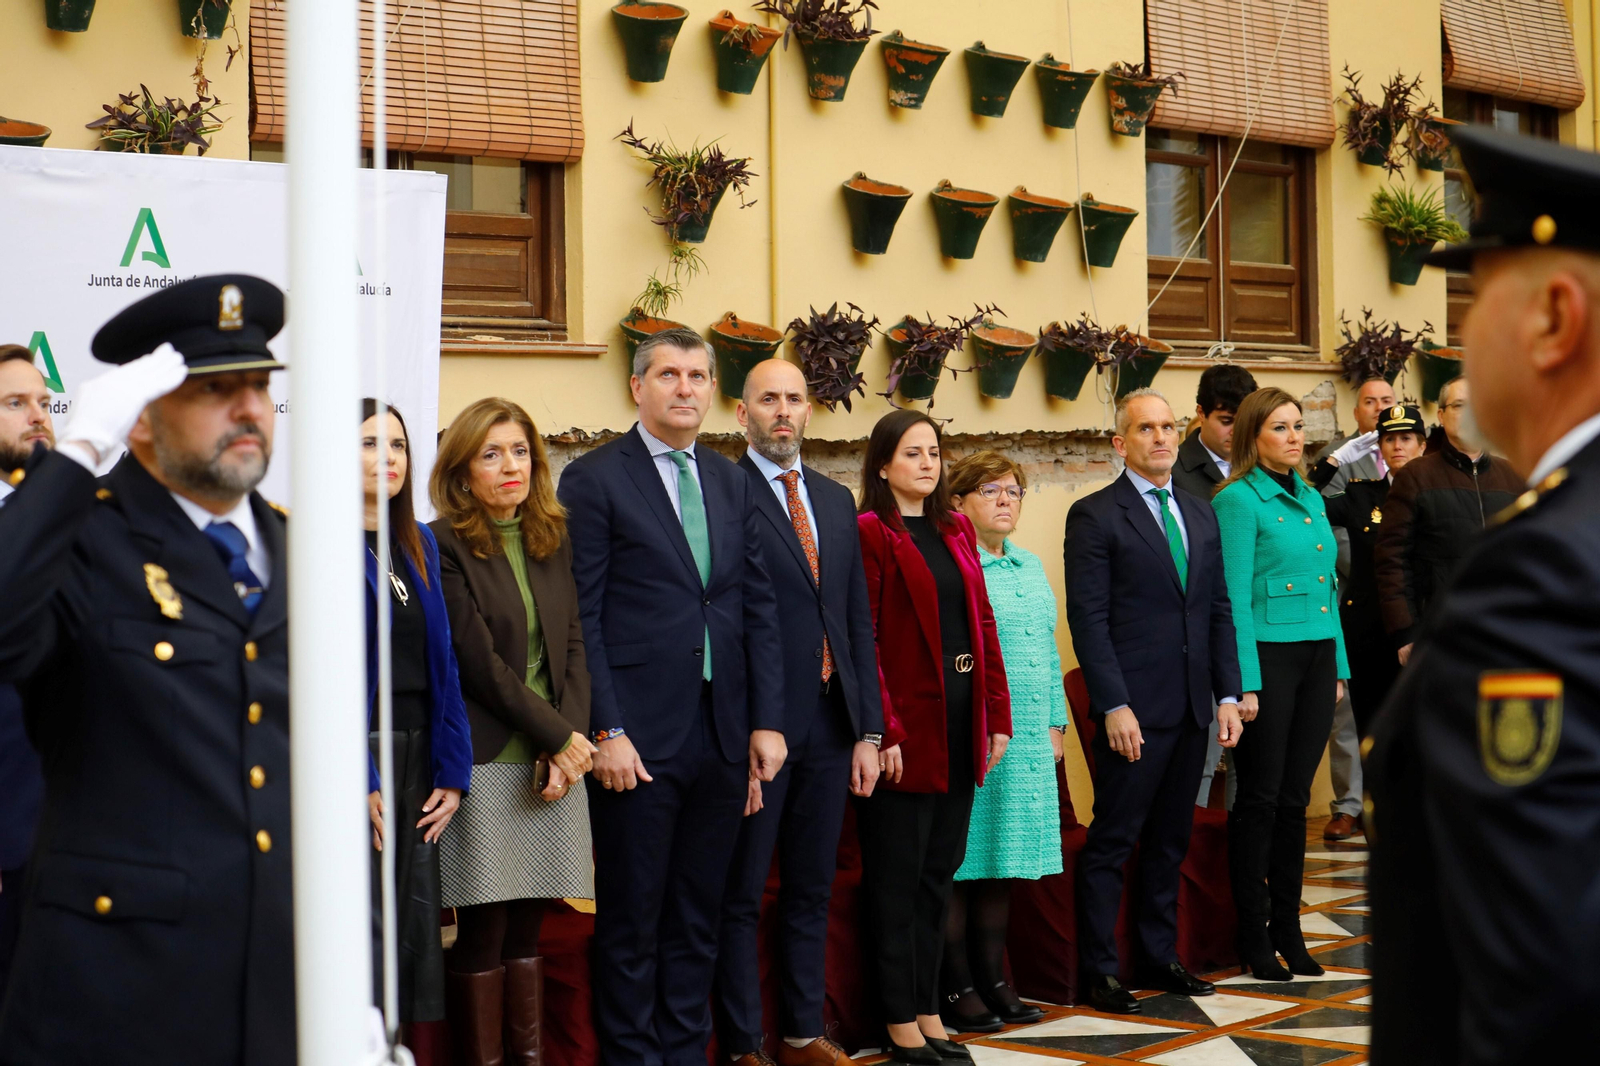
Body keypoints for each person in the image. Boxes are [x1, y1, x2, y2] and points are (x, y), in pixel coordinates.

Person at [0, 276, 294, 1063]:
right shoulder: (83, 542)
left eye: (259, 384)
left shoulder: (304, 554)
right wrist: (74, 458)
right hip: (118, 1003)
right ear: (140, 420)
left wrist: (359, 987)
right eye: (213, 389)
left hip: (276, 996)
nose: (249, 408)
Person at [1364, 126, 1600, 1064]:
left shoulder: (1546, 567)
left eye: (1474, 305)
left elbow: (1547, 962)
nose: (1459, 347)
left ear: (1552, 318)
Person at [558, 328, 785, 1066]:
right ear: (637, 388)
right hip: (639, 741)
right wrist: (607, 729)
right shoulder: (594, 480)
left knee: (699, 916)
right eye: (668, 375)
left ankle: (686, 1054)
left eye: (697, 376)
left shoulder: (730, 481)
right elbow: (581, 617)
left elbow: (756, 607)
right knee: (633, 919)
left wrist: (765, 724)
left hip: (721, 737)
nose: (685, 388)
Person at [713, 359, 885, 1066]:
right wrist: (752, 724)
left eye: (793, 399)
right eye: (767, 400)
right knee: (743, 891)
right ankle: (742, 1042)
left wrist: (869, 728)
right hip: (763, 727)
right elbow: (729, 621)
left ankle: (801, 1032)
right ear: (742, 412)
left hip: (831, 722)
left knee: (812, 886)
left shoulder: (834, 499)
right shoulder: (724, 492)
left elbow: (854, 620)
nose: (782, 411)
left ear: (810, 410)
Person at [429, 397, 598, 1066]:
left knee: (530, 932)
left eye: (521, 451)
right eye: (491, 453)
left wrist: (570, 747)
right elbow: (478, 664)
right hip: (488, 754)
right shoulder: (441, 543)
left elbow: (575, 644)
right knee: (485, 931)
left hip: (555, 758)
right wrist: (560, 738)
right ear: (464, 471)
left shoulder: (552, 536)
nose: (510, 466)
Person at [1063, 390, 1243, 1014]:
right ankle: (1101, 970)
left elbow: (1218, 609)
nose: (1161, 438)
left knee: (1171, 841)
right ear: (1121, 443)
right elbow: (1088, 620)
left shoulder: (1199, 511)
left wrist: (1227, 693)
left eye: (1169, 427)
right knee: (1114, 841)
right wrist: (1113, 705)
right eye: (1146, 429)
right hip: (1133, 713)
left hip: (1194, 706)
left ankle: (1159, 956)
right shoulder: (1095, 515)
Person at [854, 409, 1011, 1065]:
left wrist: (996, 715)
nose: (927, 463)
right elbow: (864, 637)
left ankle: (927, 1008)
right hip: (904, 731)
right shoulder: (871, 532)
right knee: (897, 879)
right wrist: (882, 726)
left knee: (936, 876)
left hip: (958, 722)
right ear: (884, 463)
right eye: (913, 452)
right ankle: (897, 1020)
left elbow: (982, 621)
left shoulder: (955, 531)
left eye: (934, 452)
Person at [1211, 386, 1348, 981]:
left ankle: (1289, 928)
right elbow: (1233, 599)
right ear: (1253, 437)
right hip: (1268, 659)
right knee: (1260, 800)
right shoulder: (1238, 500)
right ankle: (1252, 929)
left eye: (1298, 427)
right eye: (1280, 428)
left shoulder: (1314, 497)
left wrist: (1340, 667)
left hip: (1318, 660)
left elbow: (1328, 592)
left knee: (1296, 802)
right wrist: (1244, 682)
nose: (1294, 437)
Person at [357, 399, 473, 1038]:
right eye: (370, 443)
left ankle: (393, 1050)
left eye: (397, 446)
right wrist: (359, 777)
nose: (388, 458)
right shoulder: (313, 541)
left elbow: (446, 664)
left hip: (421, 758)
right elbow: (319, 670)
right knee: (358, 931)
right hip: (360, 759)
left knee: (409, 933)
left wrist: (453, 771)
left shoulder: (420, 540)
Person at [938, 450, 1062, 1034]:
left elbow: (1046, 646)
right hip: (978, 737)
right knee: (962, 864)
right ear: (957, 503)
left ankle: (994, 981)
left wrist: (1056, 724)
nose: (1006, 500)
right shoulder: (953, 566)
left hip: (1030, 736)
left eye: (1013, 490)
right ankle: (957, 987)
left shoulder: (1029, 565)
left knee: (1002, 864)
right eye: (990, 490)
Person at [1373, 375, 1523, 668]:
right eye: (1458, 406)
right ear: (1441, 415)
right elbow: (1391, 558)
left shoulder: (1514, 477)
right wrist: (1405, 632)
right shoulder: (1415, 476)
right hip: (1440, 631)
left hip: (1505, 631)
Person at [1311, 376, 1396, 840]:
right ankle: (1348, 803)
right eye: (1371, 402)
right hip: (1352, 592)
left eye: (1388, 401)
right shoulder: (1348, 461)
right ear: (1356, 411)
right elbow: (1329, 528)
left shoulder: (1414, 458)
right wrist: (1374, 568)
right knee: (1348, 711)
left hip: (1404, 607)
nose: (1380, 409)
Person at [1310, 405, 1425, 739]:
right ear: (1380, 448)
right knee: (1373, 735)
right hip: (1368, 633)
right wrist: (1333, 462)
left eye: (1406, 438)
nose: (1398, 446)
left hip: (1423, 628)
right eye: (1389, 440)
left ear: (1423, 446)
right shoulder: (1362, 494)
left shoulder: (1439, 493)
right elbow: (1304, 504)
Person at [1172, 363, 1257, 809]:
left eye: (1244, 423)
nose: (1234, 433)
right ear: (1201, 414)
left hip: (1251, 630)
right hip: (1195, 634)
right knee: (1199, 764)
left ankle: (1237, 872)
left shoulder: (1260, 470)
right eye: (1226, 421)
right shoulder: (1175, 472)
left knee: (1253, 764)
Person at [0, 344, 50, 997]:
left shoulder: (84, 518)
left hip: (78, 835)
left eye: (43, 402)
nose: (38, 416)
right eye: (15, 403)